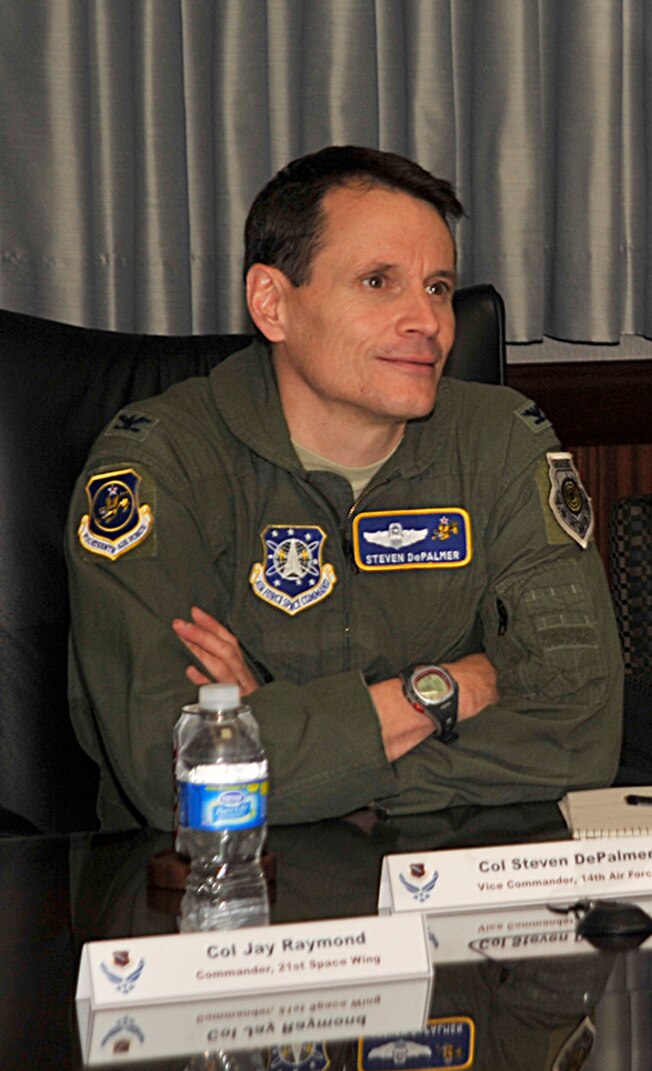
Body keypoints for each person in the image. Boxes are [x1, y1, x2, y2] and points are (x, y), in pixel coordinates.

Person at [66, 146, 622, 830]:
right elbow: (175, 772)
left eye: (439, 287)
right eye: (377, 282)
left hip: (447, 887)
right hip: (215, 891)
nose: (426, 320)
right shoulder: (160, 467)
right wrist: (444, 692)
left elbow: (579, 734)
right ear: (273, 304)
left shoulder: (503, 443)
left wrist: (287, 743)